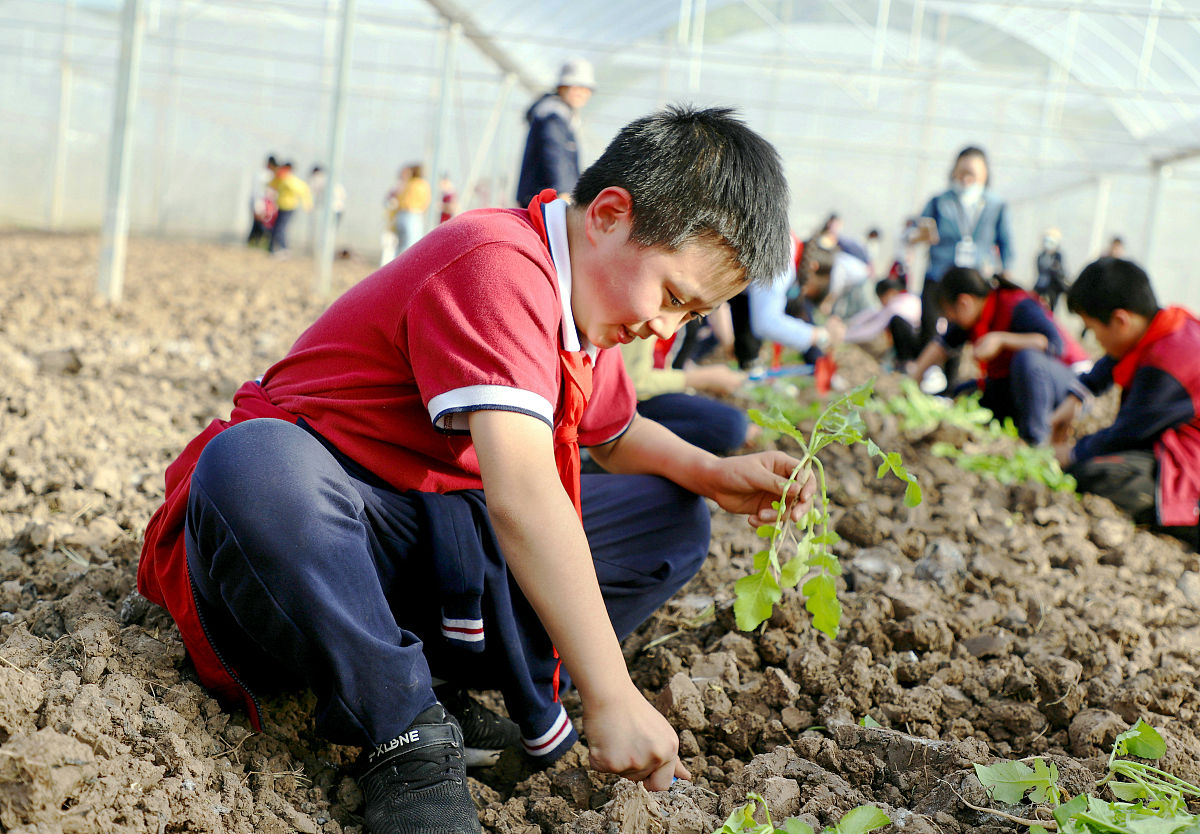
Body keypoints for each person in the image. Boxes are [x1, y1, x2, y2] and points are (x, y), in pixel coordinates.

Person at [136, 105, 814, 834]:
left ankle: (412, 673)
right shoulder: (496, 264)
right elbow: (523, 497)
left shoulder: (585, 308)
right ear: (610, 215)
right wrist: (609, 694)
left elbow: (614, 436)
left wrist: (712, 473)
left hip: (418, 537)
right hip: (308, 552)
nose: (665, 330)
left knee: (672, 517)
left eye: (692, 315)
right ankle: (404, 731)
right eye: (674, 297)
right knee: (254, 464)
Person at [1051, 258, 1199, 549]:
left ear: (1120, 320)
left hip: (1192, 464)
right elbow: (1113, 359)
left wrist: (1071, 452)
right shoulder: (1166, 329)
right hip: (1182, 444)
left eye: (1093, 330)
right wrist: (1076, 396)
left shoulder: (1168, 362)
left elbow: (1127, 432)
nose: (1096, 339)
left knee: (1093, 473)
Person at [908, 267, 1089, 443]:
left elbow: (1055, 345)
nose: (952, 320)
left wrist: (1002, 340)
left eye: (950, 314)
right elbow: (940, 346)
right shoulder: (975, 316)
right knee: (964, 393)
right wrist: (912, 381)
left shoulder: (1017, 305)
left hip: (1072, 386)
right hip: (1026, 386)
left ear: (964, 302)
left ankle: (1036, 440)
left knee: (1026, 358)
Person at [915, 146, 1014, 354]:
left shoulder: (996, 205)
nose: (966, 179)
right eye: (962, 172)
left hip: (973, 278)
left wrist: (1006, 272)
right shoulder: (939, 201)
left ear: (984, 175)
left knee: (960, 330)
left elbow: (1005, 242)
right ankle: (925, 374)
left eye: (972, 174)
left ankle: (949, 379)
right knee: (931, 323)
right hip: (940, 273)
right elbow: (918, 230)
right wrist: (921, 236)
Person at [618, 336, 751, 456]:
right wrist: (703, 378)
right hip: (636, 400)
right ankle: (622, 440)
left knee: (732, 426)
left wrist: (728, 342)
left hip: (661, 383)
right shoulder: (649, 321)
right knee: (732, 425)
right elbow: (634, 383)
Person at [516, 58, 594, 206]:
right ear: (562, 87)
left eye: (586, 89)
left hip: (544, 197)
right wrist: (562, 191)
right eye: (576, 87)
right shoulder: (553, 115)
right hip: (545, 200)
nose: (582, 94)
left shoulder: (562, 116)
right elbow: (554, 153)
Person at [842, 277, 922, 365]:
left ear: (890, 292)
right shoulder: (909, 298)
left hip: (915, 344)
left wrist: (845, 337)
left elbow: (872, 329)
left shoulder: (896, 307)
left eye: (881, 299)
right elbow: (874, 313)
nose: (882, 303)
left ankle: (904, 360)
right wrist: (849, 325)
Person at [266, 161, 313, 255]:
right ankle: (272, 249)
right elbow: (270, 185)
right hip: (280, 207)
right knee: (275, 228)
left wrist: (307, 204)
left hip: (289, 208)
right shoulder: (280, 179)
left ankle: (284, 249)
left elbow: (304, 191)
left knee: (280, 228)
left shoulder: (292, 181)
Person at [386, 163, 431, 258]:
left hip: (402, 213)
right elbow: (425, 201)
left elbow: (396, 197)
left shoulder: (407, 183)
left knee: (401, 243)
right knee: (411, 243)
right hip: (413, 214)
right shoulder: (421, 184)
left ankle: (397, 265)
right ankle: (405, 265)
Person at [1033, 227, 1068, 314]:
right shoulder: (1041, 255)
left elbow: (1060, 272)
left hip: (1052, 289)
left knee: (1049, 310)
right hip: (1040, 286)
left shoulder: (1057, 256)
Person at [247, 155, 278, 248]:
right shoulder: (262, 175)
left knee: (263, 224)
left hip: (266, 204)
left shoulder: (271, 175)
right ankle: (253, 242)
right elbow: (257, 192)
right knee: (258, 224)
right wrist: (258, 206)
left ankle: (256, 242)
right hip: (260, 202)